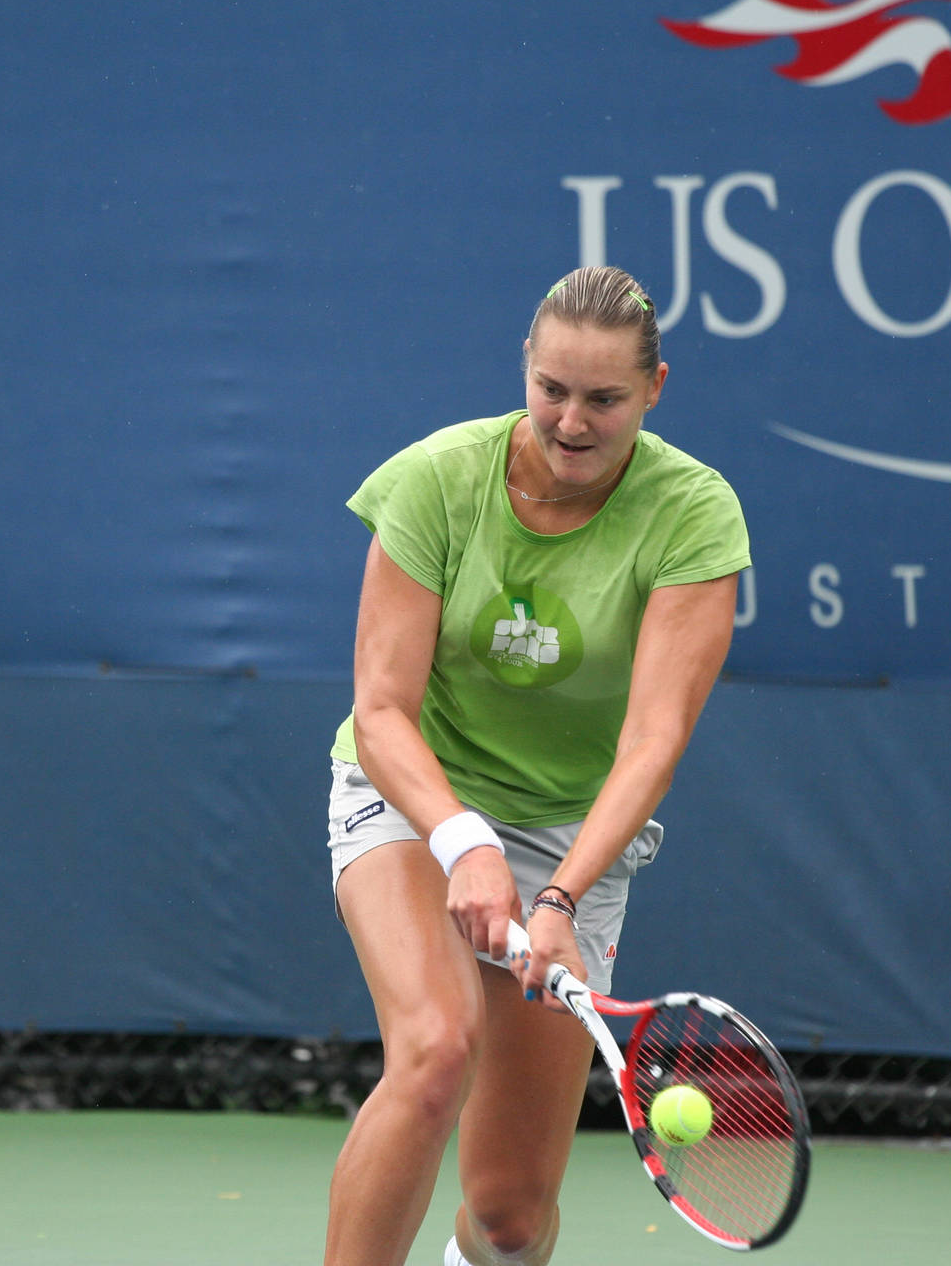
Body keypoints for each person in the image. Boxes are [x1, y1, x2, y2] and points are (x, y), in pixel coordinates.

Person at [321, 265, 750, 1266]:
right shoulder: (435, 478)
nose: (571, 419)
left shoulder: (693, 513)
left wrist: (555, 894)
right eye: (552, 388)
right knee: (434, 1048)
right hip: (413, 792)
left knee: (511, 1218)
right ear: (526, 368)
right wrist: (461, 836)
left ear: (655, 389)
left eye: (604, 398)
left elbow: (652, 743)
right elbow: (380, 710)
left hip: (571, 829)